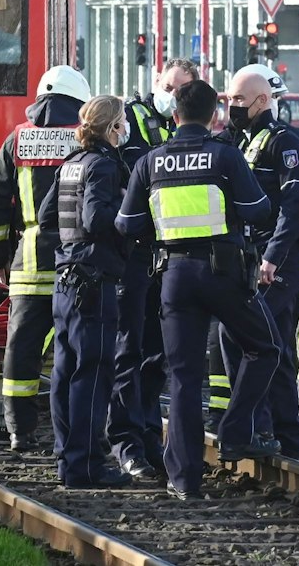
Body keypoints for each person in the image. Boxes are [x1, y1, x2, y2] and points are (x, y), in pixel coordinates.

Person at [118, 80, 276, 500]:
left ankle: (185, 482)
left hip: (172, 276)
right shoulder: (225, 156)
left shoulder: (150, 162)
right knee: (265, 348)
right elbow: (257, 209)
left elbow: (127, 223)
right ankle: (234, 430)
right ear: (213, 116)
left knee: (184, 379)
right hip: (222, 273)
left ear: (174, 116)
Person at [0, 64, 88, 452]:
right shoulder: (85, 138)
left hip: (28, 261)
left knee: (22, 347)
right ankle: (74, 432)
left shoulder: (17, 140)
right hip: (77, 260)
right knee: (72, 347)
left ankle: (18, 430)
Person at [219, 63, 299, 459]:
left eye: (239, 99)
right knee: (267, 343)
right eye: (229, 99)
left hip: (282, 258)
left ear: (262, 100)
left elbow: (296, 205)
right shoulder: (236, 141)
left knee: (259, 338)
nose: (232, 106)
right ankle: (281, 434)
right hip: (249, 256)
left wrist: (272, 258)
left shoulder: (285, 141)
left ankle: (261, 429)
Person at [107, 57, 196, 479]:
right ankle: (126, 444)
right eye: (166, 84)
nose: (170, 93)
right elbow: (137, 169)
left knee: (156, 359)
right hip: (134, 255)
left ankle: (146, 438)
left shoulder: (179, 129)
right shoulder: (134, 116)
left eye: (179, 88)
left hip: (164, 259)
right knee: (128, 352)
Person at [51, 95, 132, 488]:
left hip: (66, 279)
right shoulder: (102, 165)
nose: (125, 129)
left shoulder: (70, 164)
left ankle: (67, 458)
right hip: (94, 283)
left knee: (65, 371)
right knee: (94, 374)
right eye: (122, 122)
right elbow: (96, 217)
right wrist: (129, 216)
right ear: (112, 126)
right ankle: (85, 466)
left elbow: (52, 216)